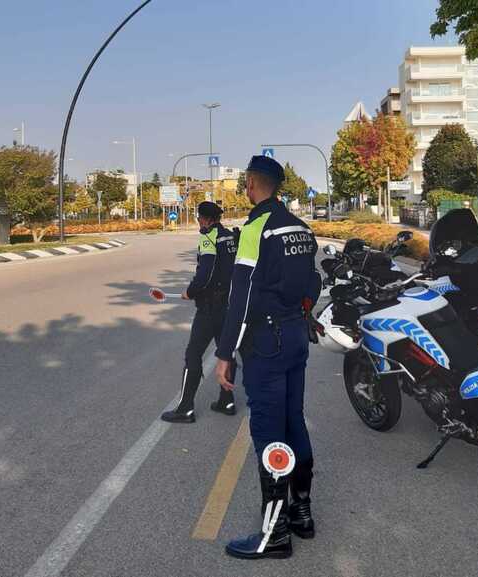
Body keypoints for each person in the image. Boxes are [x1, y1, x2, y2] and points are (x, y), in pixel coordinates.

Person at [215, 156, 321, 559]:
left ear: (251, 184)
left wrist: (225, 353)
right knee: (295, 423)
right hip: (295, 334)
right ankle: (302, 513)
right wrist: (303, 313)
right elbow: (313, 280)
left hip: (266, 343)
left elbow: (239, 298)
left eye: (245, 182)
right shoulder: (301, 228)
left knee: (268, 431)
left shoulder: (255, 229)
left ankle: (274, 534)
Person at [161, 201, 238, 424]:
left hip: (210, 308)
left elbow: (205, 273)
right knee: (227, 353)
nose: (198, 223)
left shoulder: (208, 237)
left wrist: (190, 291)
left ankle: (185, 408)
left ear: (205, 219)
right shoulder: (231, 237)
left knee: (193, 354)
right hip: (229, 305)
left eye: (198, 219)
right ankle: (227, 400)